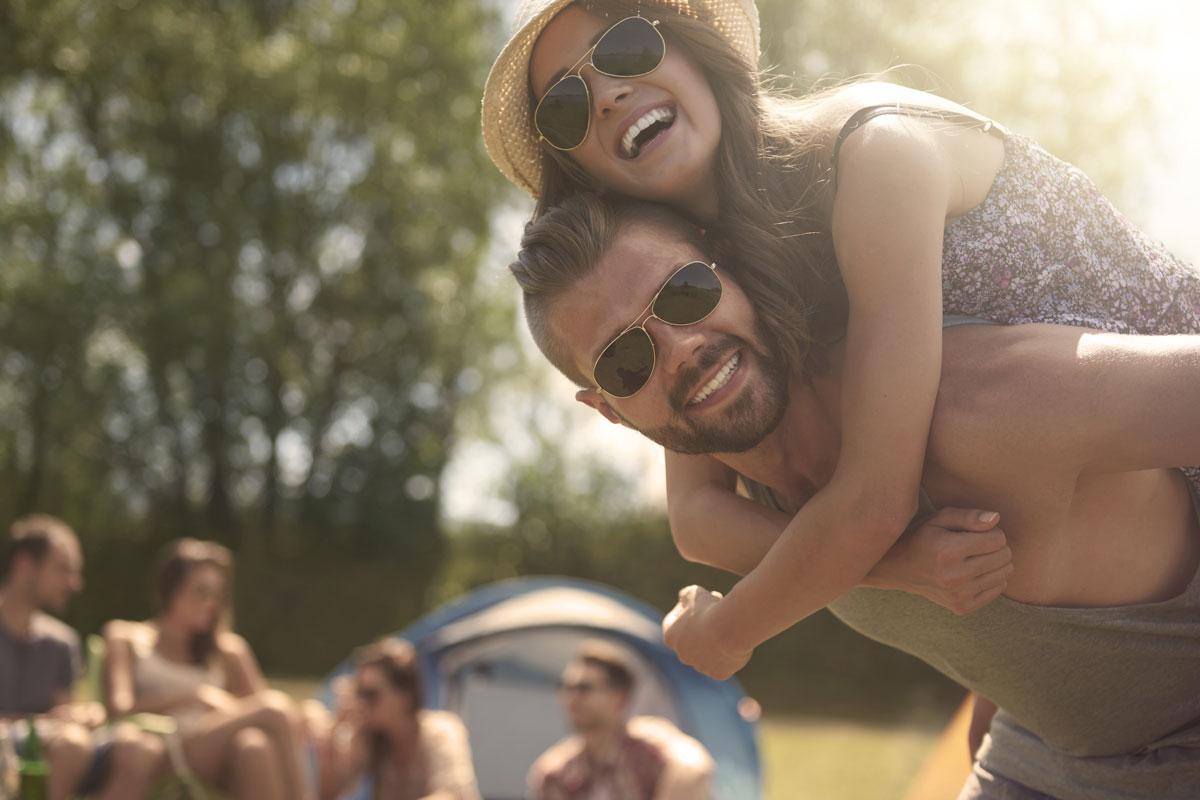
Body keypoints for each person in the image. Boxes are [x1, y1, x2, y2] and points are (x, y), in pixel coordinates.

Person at [481, 0, 1200, 666]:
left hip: (1170, 421)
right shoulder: (698, 264)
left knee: (941, 419)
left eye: (626, 46)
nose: (607, 94)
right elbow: (699, 515)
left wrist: (722, 635)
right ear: (576, 167)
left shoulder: (872, 155)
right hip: (1086, 492)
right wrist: (900, 564)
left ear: (687, 45)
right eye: (568, 105)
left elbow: (875, 499)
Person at [509, 192, 1200, 799]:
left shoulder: (979, 405)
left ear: (732, 270)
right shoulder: (746, 505)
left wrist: (726, 631)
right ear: (610, 410)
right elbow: (710, 530)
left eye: (684, 293)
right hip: (1048, 754)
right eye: (627, 360)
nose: (681, 347)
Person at [104, 537, 316, 800]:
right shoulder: (126, 637)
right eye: (201, 592)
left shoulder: (228, 651)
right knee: (274, 709)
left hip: (216, 754)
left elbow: (258, 712)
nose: (212, 604)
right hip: (160, 750)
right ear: (170, 589)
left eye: (218, 595)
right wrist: (194, 696)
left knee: (253, 746)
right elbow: (118, 709)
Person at [0, 514, 163, 800]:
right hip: (15, 742)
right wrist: (40, 723)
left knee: (140, 749)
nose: (75, 583)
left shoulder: (62, 642)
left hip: (52, 741)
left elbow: (61, 710)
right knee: (72, 745)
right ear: (25, 565)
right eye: (63, 570)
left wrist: (81, 715)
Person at [528, 640, 713, 800]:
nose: (572, 698)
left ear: (619, 697)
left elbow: (695, 766)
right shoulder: (555, 773)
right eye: (566, 687)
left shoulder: (648, 749)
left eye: (584, 688)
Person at [313, 637, 480, 800]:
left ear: (405, 696)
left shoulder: (441, 731)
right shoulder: (369, 737)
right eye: (359, 693)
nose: (362, 703)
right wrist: (337, 725)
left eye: (371, 694)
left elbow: (452, 795)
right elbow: (329, 793)